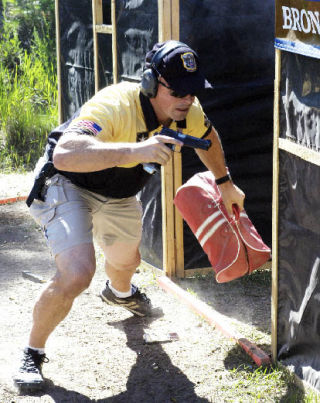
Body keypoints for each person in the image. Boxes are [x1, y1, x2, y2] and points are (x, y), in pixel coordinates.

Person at [13, 40, 245, 391]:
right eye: (179, 91)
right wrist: (137, 150)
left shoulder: (188, 112)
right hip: (66, 182)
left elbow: (208, 138)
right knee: (77, 273)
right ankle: (32, 352)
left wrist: (225, 183)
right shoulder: (115, 103)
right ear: (151, 84)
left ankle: (120, 294)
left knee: (126, 261)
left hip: (117, 192)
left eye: (194, 92)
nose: (187, 100)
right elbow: (65, 153)